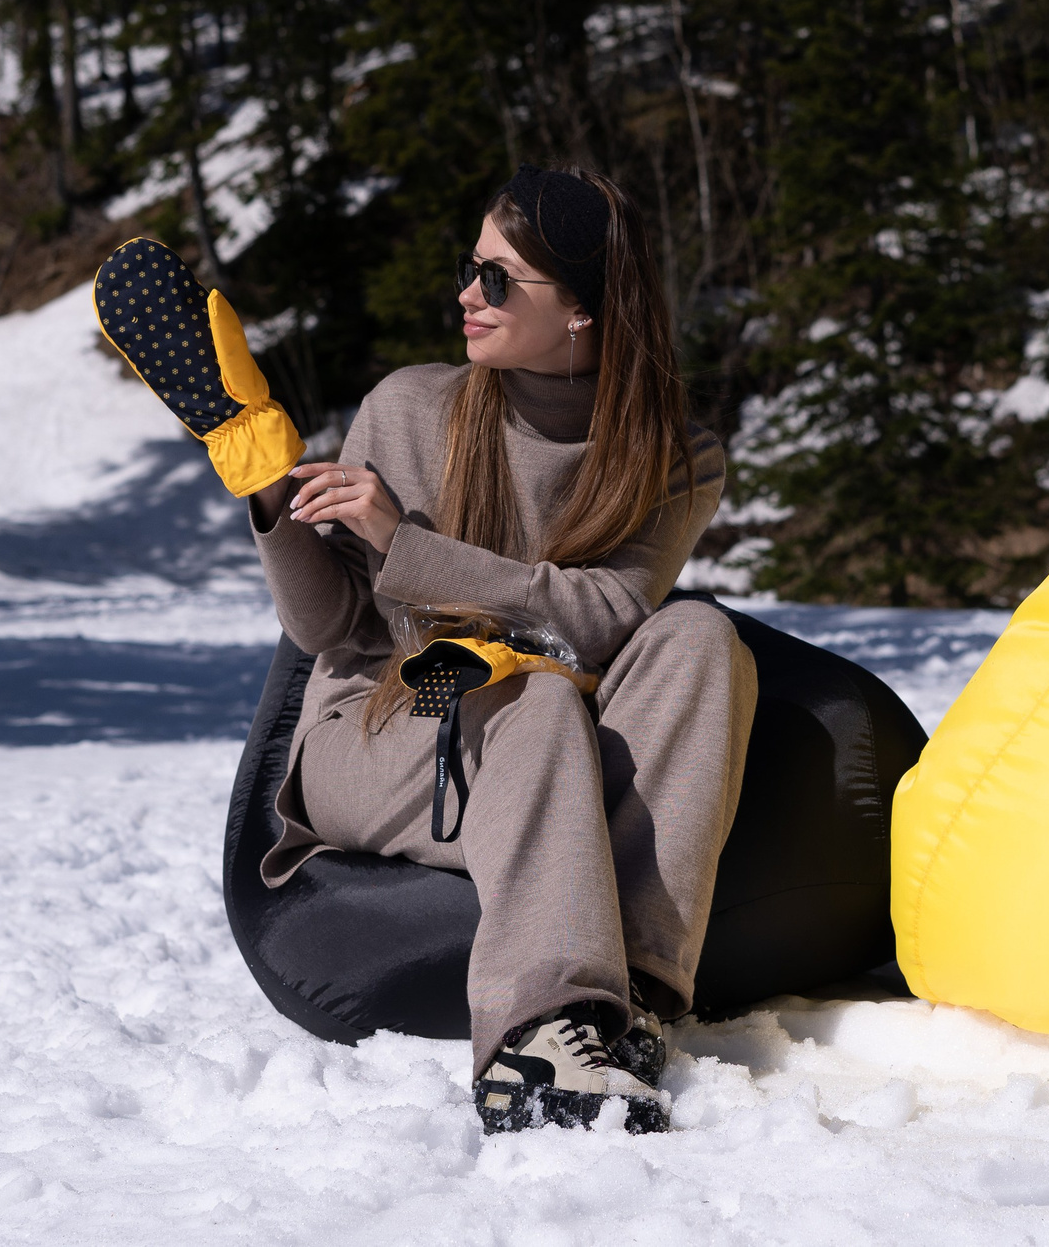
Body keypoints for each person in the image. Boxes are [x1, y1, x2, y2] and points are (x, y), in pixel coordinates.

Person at [248, 165, 754, 1134]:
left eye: (495, 279)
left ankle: (632, 996)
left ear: (582, 313)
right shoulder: (409, 406)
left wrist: (411, 545)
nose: (464, 296)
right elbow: (328, 632)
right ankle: (540, 1035)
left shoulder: (673, 454)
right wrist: (269, 496)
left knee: (696, 635)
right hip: (391, 721)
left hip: (545, 724)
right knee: (532, 698)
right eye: (469, 269)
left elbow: (606, 617)